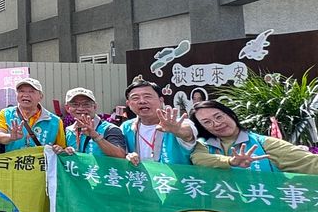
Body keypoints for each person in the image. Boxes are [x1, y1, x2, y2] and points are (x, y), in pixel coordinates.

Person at [190, 101, 318, 174]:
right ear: (202, 127)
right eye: (207, 122)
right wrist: (230, 162)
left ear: (231, 115)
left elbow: (310, 163)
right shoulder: (203, 146)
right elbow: (198, 158)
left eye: (219, 116)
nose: (216, 124)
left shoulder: (264, 144)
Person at [121, 78, 197, 166]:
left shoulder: (176, 123)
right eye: (135, 98)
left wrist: (177, 130)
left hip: (175, 178)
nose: (142, 101)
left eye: (147, 96)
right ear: (128, 104)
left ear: (161, 101)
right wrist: (128, 156)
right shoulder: (126, 127)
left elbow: (188, 134)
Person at [0, 77, 66, 151]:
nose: (26, 95)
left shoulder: (55, 121)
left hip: (42, 162)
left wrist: (59, 149)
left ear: (40, 96)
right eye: (21, 91)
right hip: (15, 162)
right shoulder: (6, 113)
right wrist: (10, 137)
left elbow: (62, 148)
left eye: (31, 91)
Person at [52, 87, 127, 158]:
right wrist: (62, 151)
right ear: (67, 108)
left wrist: (95, 136)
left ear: (94, 107)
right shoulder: (68, 131)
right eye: (75, 104)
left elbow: (120, 155)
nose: (81, 108)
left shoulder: (110, 129)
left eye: (86, 104)